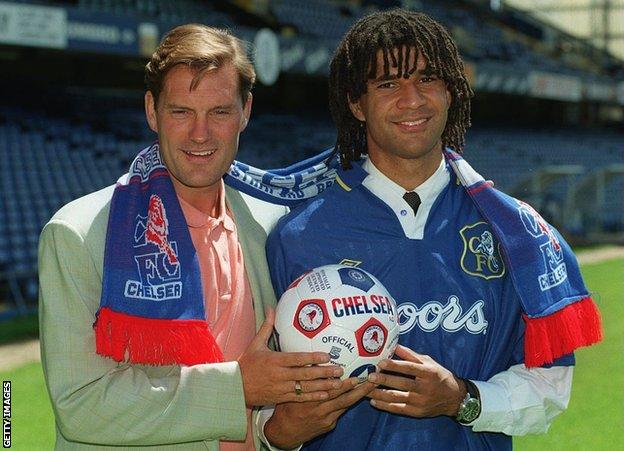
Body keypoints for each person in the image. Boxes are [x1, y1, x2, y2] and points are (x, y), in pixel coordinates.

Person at [263, 9, 602, 450]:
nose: (412, 99)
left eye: (427, 79)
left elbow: (550, 391)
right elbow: (261, 400)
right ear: (355, 103)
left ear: (451, 92)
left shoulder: (515, 234)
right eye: (388, 84)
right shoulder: (298, 235)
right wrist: (282, 429)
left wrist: (463, 399)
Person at [38, 24, 352, 450]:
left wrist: (277, 434)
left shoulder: (270, 224)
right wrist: (237, 387)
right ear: (152, 111)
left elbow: (260, 401)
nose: (200, 133)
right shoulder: (77, 233)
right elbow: (81, 404)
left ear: (246, 112)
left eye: (220, 112)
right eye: (181, 111)